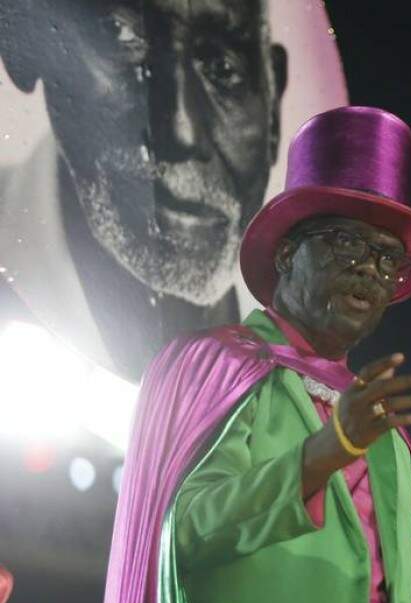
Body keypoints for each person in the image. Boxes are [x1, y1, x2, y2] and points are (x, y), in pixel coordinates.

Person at [89, 105, 411, 603]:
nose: (369, 269)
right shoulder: (216, 365)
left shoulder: (385, 429)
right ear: (287, 253)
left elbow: (404, 600)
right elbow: (183, 530)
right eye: (346, 244)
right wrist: (324, 452)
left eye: (387, 261)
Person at [0, 0, 287, 377]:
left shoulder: (293, 357)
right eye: (120, 36)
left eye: (222, 68)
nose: (182, 131)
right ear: (24, 40)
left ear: (273, 111)